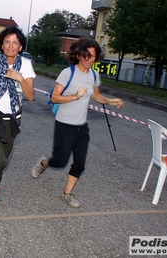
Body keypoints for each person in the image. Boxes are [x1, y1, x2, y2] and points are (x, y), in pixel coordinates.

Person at [31, 38, 124, 208]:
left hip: (82, 126)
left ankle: (67, 194)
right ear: (79, 55)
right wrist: (74, 96)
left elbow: (96, 95)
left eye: (93, 56)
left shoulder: (94, 75)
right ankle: (44, 163)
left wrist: (111, 101)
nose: (89, 60)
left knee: (80, 164)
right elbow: (54, 97)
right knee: (60, 161)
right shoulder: (68, 73)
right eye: (86, 56)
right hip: (64, 124)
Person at [0, 26, 36, 208]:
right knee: (0, 158)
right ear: (2, 45)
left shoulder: (26, 65)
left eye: (15, 43)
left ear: (20, 47)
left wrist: (20, 78)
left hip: (13, 119)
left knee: (4, 157)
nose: (10, 46)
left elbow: (31, 96)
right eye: (7, 42)